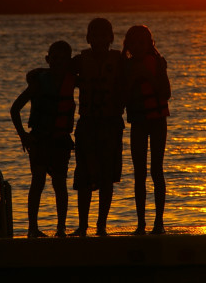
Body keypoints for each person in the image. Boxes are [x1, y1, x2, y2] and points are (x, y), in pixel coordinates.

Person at [10, 40, 76, 238]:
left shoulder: (72, 80)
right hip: (39, 140)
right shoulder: (38, 83)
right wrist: (23, 135)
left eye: (63, 59)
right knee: (37, 181)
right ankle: (32, 229)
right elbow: (15, 109)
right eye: (54, 58)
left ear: (69, 61)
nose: (58, 62)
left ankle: (61, 228)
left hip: (61, 140)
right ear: (48, 59)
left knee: (60, 183)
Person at [71, 18, 125, 236]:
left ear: (111, 38)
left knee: (106, 176)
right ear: (88, 38)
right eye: (95, 35)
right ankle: (82, 225)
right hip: (87, 124)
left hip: (111, 124)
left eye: (104, 35)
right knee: (84, 176)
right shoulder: (80, 61)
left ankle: (101, 224)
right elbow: (59, 72)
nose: (100, 40)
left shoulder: (120, 60)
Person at [122, 25, 171, 235]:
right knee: (139, 173)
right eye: (135, 43)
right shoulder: (126, 67)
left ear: (150, 44)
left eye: (143, 42)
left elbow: (166, 94)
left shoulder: (158, 64)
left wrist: (149, 77)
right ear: (129, 46)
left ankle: (158, 222)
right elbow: (122, 98)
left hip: (158, 121)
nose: (139, 46)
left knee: (156, 171)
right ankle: (141, 224)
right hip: (139, 123)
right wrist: (133, 78)